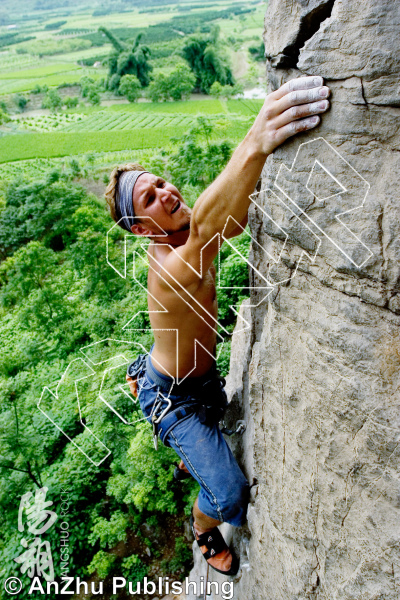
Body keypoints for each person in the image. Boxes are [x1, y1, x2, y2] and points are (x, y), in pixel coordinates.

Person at [105, 76, 330, 576]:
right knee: (228, 494)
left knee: (211, 418)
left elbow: (224, 220)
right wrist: (255, 139)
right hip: (177, 401)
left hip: (199, 381)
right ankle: (202, 529)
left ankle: (145, 371)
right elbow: (211, 228)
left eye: (160, 182)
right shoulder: (169, 268)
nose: (165, 192)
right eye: (149, 198)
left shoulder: (184, 233)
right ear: (141, 230)